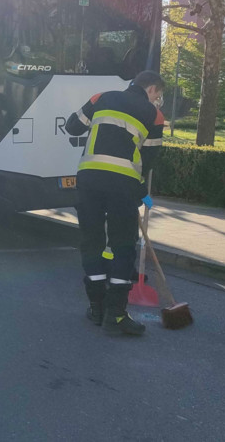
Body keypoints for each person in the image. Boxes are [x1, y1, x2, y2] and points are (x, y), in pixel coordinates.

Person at [65, 70, 165, 336]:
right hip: (123, 184)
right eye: (159, 95)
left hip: (88, 179)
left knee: (92, 240)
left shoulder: (102, 97)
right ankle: (116, 315)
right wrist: (141, 190)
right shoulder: (155, 115)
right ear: (152, 89)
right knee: (122, 245)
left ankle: (96, 308)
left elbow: (72, 126)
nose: (158, 100)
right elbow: (150, 160)